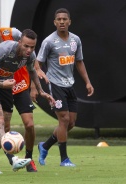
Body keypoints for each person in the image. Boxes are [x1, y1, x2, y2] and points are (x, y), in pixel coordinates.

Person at [0, 29, 55, 174]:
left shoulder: (30, 55)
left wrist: (41, 91)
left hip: (6, 85)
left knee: (4, 126)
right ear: (19, 42)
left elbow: (32, 71)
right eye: (26, 46)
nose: (29, 50)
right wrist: (0, 84)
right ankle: (13, 159)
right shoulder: (5, 49)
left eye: (32, 47)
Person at [35, 8, 94, 167]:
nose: (61, 21)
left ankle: (45, 146)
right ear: (54, 22)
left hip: (69, 85)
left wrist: (87, 82)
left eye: (64, 19)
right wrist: (39, 78)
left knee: (71, 123)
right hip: (55, 85)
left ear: (69, 22)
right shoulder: (49, 42)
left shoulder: (76, 40)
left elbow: (79, 61)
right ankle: (64, 159)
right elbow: (37, 64)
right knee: (64, 119)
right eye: (58, 19)